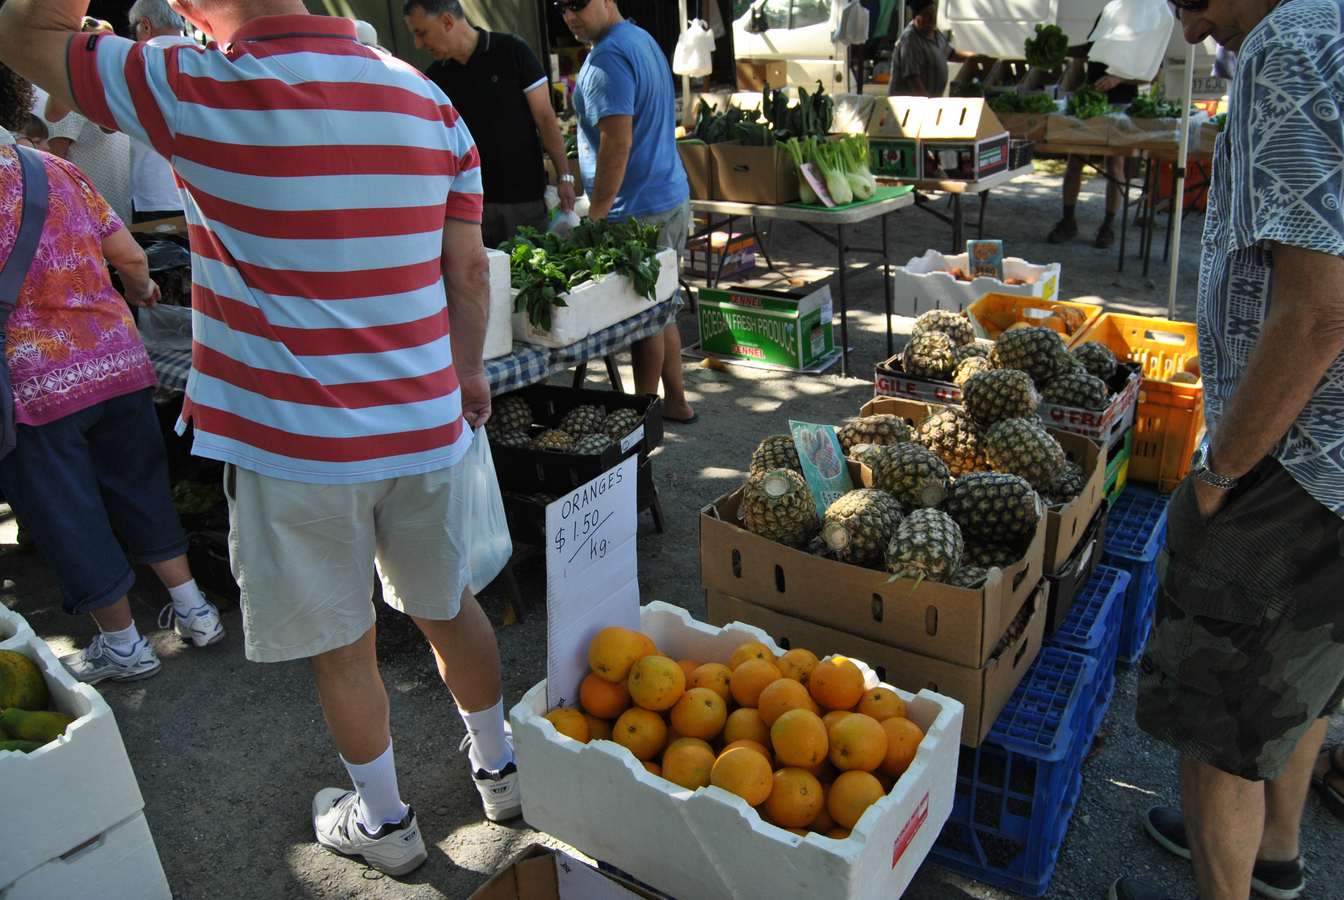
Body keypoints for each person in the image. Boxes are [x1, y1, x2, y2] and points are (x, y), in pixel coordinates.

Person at [0, 0, 516, 879]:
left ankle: (387, 823)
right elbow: (465, 268)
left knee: (343, 647)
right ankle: (502, 772)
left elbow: (20, 31)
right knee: (446, 602)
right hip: (425, 420)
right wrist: (468, 374)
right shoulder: (422, 95)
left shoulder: (190, 85)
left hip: (294, 443)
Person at [1110, 1, 1344, 899]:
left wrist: (1218, 474)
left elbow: (1321, 310)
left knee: (1212, 723)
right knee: (1301, 678)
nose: (1188, 21)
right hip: (1331, 459)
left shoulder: (1287, 44)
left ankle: (1229, 881)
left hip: (1294, 455)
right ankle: (1275, 856)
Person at [0, 63, 224, 684]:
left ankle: (123, 644)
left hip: (35, 384)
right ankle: (195, 609)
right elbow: (127, 254)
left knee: (68, 511)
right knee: (141, 486)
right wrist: (142, 287)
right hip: (119, 362)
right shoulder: (55, 167)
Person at [562, 0, 696, 424]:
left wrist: (597, 212)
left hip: (638, 210)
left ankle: (642, 414)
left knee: (644, 320)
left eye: (577, 4)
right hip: (666, 196)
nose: (569, 15)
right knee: (662, 308)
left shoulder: (607, 58)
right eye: (561, 7)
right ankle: (675, 401)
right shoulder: (640, 39)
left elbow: (617, 142)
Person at [404, 0, 575, 248]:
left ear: (447, 21)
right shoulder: (433, 79)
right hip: (468, 210)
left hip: (524, 202)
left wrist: (565, 177)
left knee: (533, 276)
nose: (418, 44)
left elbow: (546, 119)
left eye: (421, 33)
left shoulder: (513, 51)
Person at [1045, 15, 1141, 250]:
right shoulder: (1107, 15)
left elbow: (1153, 72)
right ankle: (1068, 221)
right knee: (1075, 161)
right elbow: (1090, 50)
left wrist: (1117, 79)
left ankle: (1107, 226)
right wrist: (1060, 50)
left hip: (1120, 104)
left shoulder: (1143, 23)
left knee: (1114, 166)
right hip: (1090, 100)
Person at [127, 0, 191, 223]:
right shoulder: (210, 56)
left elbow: (105, 127)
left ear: (145, 25)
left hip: (154, 194)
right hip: (205, 192)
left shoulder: (133, 61)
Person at [887, 0, 977, 98]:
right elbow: (912, 78)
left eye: (934, 14)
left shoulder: (936, 34)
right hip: (910, 105)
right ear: (916, 17)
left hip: (932, 100)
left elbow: (951, 54)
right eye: (927, 15)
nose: (932, 19)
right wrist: (928, 103)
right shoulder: (910, 40)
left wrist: (975, 56)